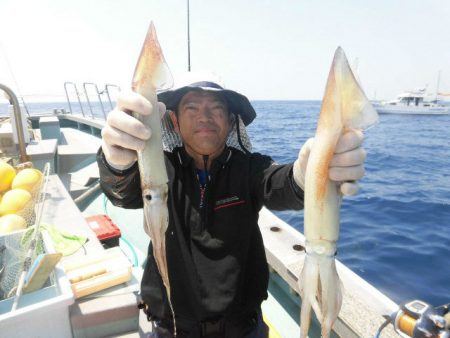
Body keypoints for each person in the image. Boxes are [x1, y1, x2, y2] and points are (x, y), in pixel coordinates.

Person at [97, 72, 366, 338]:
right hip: (173, 329)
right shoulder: (157, 171)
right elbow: (122, 191)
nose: (205, 116)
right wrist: (117, 161)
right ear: (174, 122)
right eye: (192, 107)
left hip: (243, 329)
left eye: (216, 108)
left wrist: (309, 174)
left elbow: (282, 184)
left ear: (229, 121)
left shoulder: (249, 168)